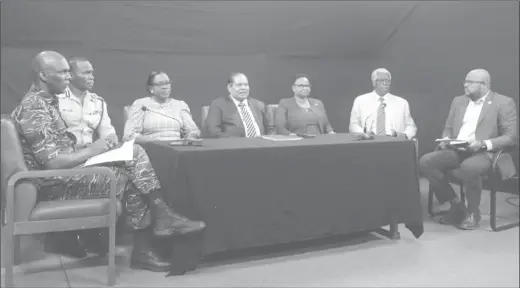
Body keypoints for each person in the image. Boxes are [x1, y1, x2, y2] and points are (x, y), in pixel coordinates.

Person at [11, 51, 206, 272]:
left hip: (67, 176)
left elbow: (61, 150)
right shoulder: (34, 108)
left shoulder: (47, 102)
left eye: (68, 71)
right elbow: (53, 163)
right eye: (63, 72)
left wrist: (91, 149)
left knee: (134, 156)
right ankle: (155, 229)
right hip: (55, 184)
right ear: (44, 76)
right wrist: (93, 149)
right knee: (134, 165)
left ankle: (158, 224)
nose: (68, 76)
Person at [419, 69, 517, 230]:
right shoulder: (458, 101)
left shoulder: (503, 102)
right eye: (465, 81)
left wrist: (483, 143)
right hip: (458, 149)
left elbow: (510, 136)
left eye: (470, 82)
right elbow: (448, 128)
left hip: (485, 152)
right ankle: (455, 205)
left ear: (484, 85)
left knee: (469, 167)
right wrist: (446, 139)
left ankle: (473, 212)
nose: (465, 85)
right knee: (427, 161)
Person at [124, 71, 200, 144]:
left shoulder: (180, 105)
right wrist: (153, 142)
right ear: (151, 89)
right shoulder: (141, 105)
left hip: (177, 149)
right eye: (160, 84)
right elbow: (130, 135)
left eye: (167, 83)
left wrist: (189, 139)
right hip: (152, 149)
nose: (165, 87)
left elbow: (193, 130)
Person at [349, 68, 417, 139]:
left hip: (394, 141)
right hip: (369, 141)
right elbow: (353, 125)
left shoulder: (402, 102)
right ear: (374, 82)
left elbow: (411, 126)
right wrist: (363, 134)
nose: (385, 83)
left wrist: (404, 135)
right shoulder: (360, 100)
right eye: (381, 80)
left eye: (388, 80)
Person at [205, 72, 271, 138]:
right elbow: (213, 132)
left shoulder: (259, 105)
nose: (243, 88)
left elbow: (270, 129)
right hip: (235, 146)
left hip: (262, 145)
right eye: (239, 85)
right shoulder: (218, 105)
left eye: (246, 85)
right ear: (229, 87)